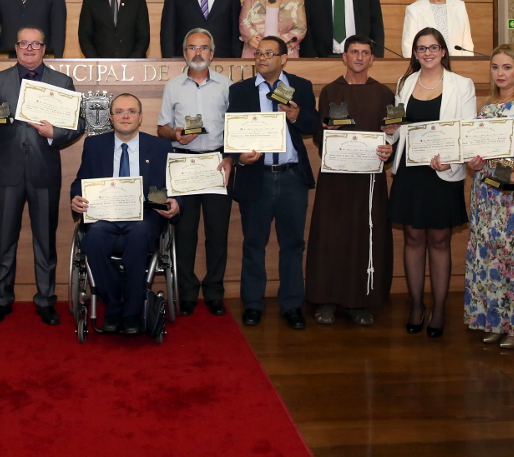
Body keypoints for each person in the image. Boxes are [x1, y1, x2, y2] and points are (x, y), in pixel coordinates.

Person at [0, 26, 83, 326]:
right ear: (16, 47)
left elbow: (78, 123)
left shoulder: (61, 82)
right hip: (6, 173)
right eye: (24, 43)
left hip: (44, 173)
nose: (29, 48)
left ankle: (46, 300)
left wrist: (55, 133)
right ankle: (2, 299)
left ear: (44, 48)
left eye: (36, 44)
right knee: (4, 241)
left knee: (45, 241)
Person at [385, 28, 476, 338]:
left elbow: (466, 130)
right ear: (414, 53)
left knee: (439, 240)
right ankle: (416, 305)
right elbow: (397, 126)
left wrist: (451, 159)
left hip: (442, 171)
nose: (427, 53)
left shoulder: (462, 85)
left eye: (433, 47)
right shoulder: (404, 83)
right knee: (412, 238)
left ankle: (439, 308)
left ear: (443, 51)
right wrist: (389, 132)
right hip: (410, 170)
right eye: (421, 48)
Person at [226, 35, 319, 330]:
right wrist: (240, 157)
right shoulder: (240, 90)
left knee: (293, 244)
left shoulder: (300, 86)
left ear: (284, 58)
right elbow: (231, 134)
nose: (261, 58)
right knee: (254, 244)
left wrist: (296, 116)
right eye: (258, 53)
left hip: (292, 177)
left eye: (268, 53)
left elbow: (313, 126)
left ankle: (292, 305)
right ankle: (253, 304)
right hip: (257, 177)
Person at [70, 94, 179, 334]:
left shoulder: (160, 146)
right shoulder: (94, 145)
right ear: (111, 117)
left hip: (144, 218)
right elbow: (81, 181)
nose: (125, 116)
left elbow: (172, 186)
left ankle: (131, 313)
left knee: (139, 235)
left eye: (131, 111)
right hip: (104, 217)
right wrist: (76, 197)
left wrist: (175, 203)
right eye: (119, 112)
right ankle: (114, 307)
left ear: (140, 117)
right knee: (93, 239)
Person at [306, 35, 394, 326]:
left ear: (372, 59)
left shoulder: (384, 93)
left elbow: (392, 134)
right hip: (336, 178)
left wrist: (389, 146)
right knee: (331, 237)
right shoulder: (331, 91)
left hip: (369, 180)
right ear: (344, 57)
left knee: (364, 238)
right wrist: (326, 132)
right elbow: (320, 135)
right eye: (354, 52)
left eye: (365, 53)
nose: (359, 57)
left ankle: (360, 302)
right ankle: (326, 300)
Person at [462, 44, 514, 349]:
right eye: (495, 67)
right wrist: (474, 162)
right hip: (487, 189)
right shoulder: (487, 105)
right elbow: (478, 147)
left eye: (507, 67)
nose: (500, 73)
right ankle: (494, 321)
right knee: (491, 255)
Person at [157, 28, 232, 317]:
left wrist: (231, 158)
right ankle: (187, 292)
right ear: (184, 52)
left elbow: (235, 126)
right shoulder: (173, 86)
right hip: (184, 163)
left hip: (217, 163)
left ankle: (214, 292)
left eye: (203, 48)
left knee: (217, 233)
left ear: (212, 53)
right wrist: (174, 134)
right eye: (192, 47)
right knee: (184, 233)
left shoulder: (227, 85)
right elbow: (161, 128)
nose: (197, 53)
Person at [400, 0, 474, 57]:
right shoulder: (414, 10)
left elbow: (467, 44)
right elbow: (408, 46)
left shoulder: (459, 6)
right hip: (426, 63)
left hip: (456, 63)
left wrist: (466, 65)